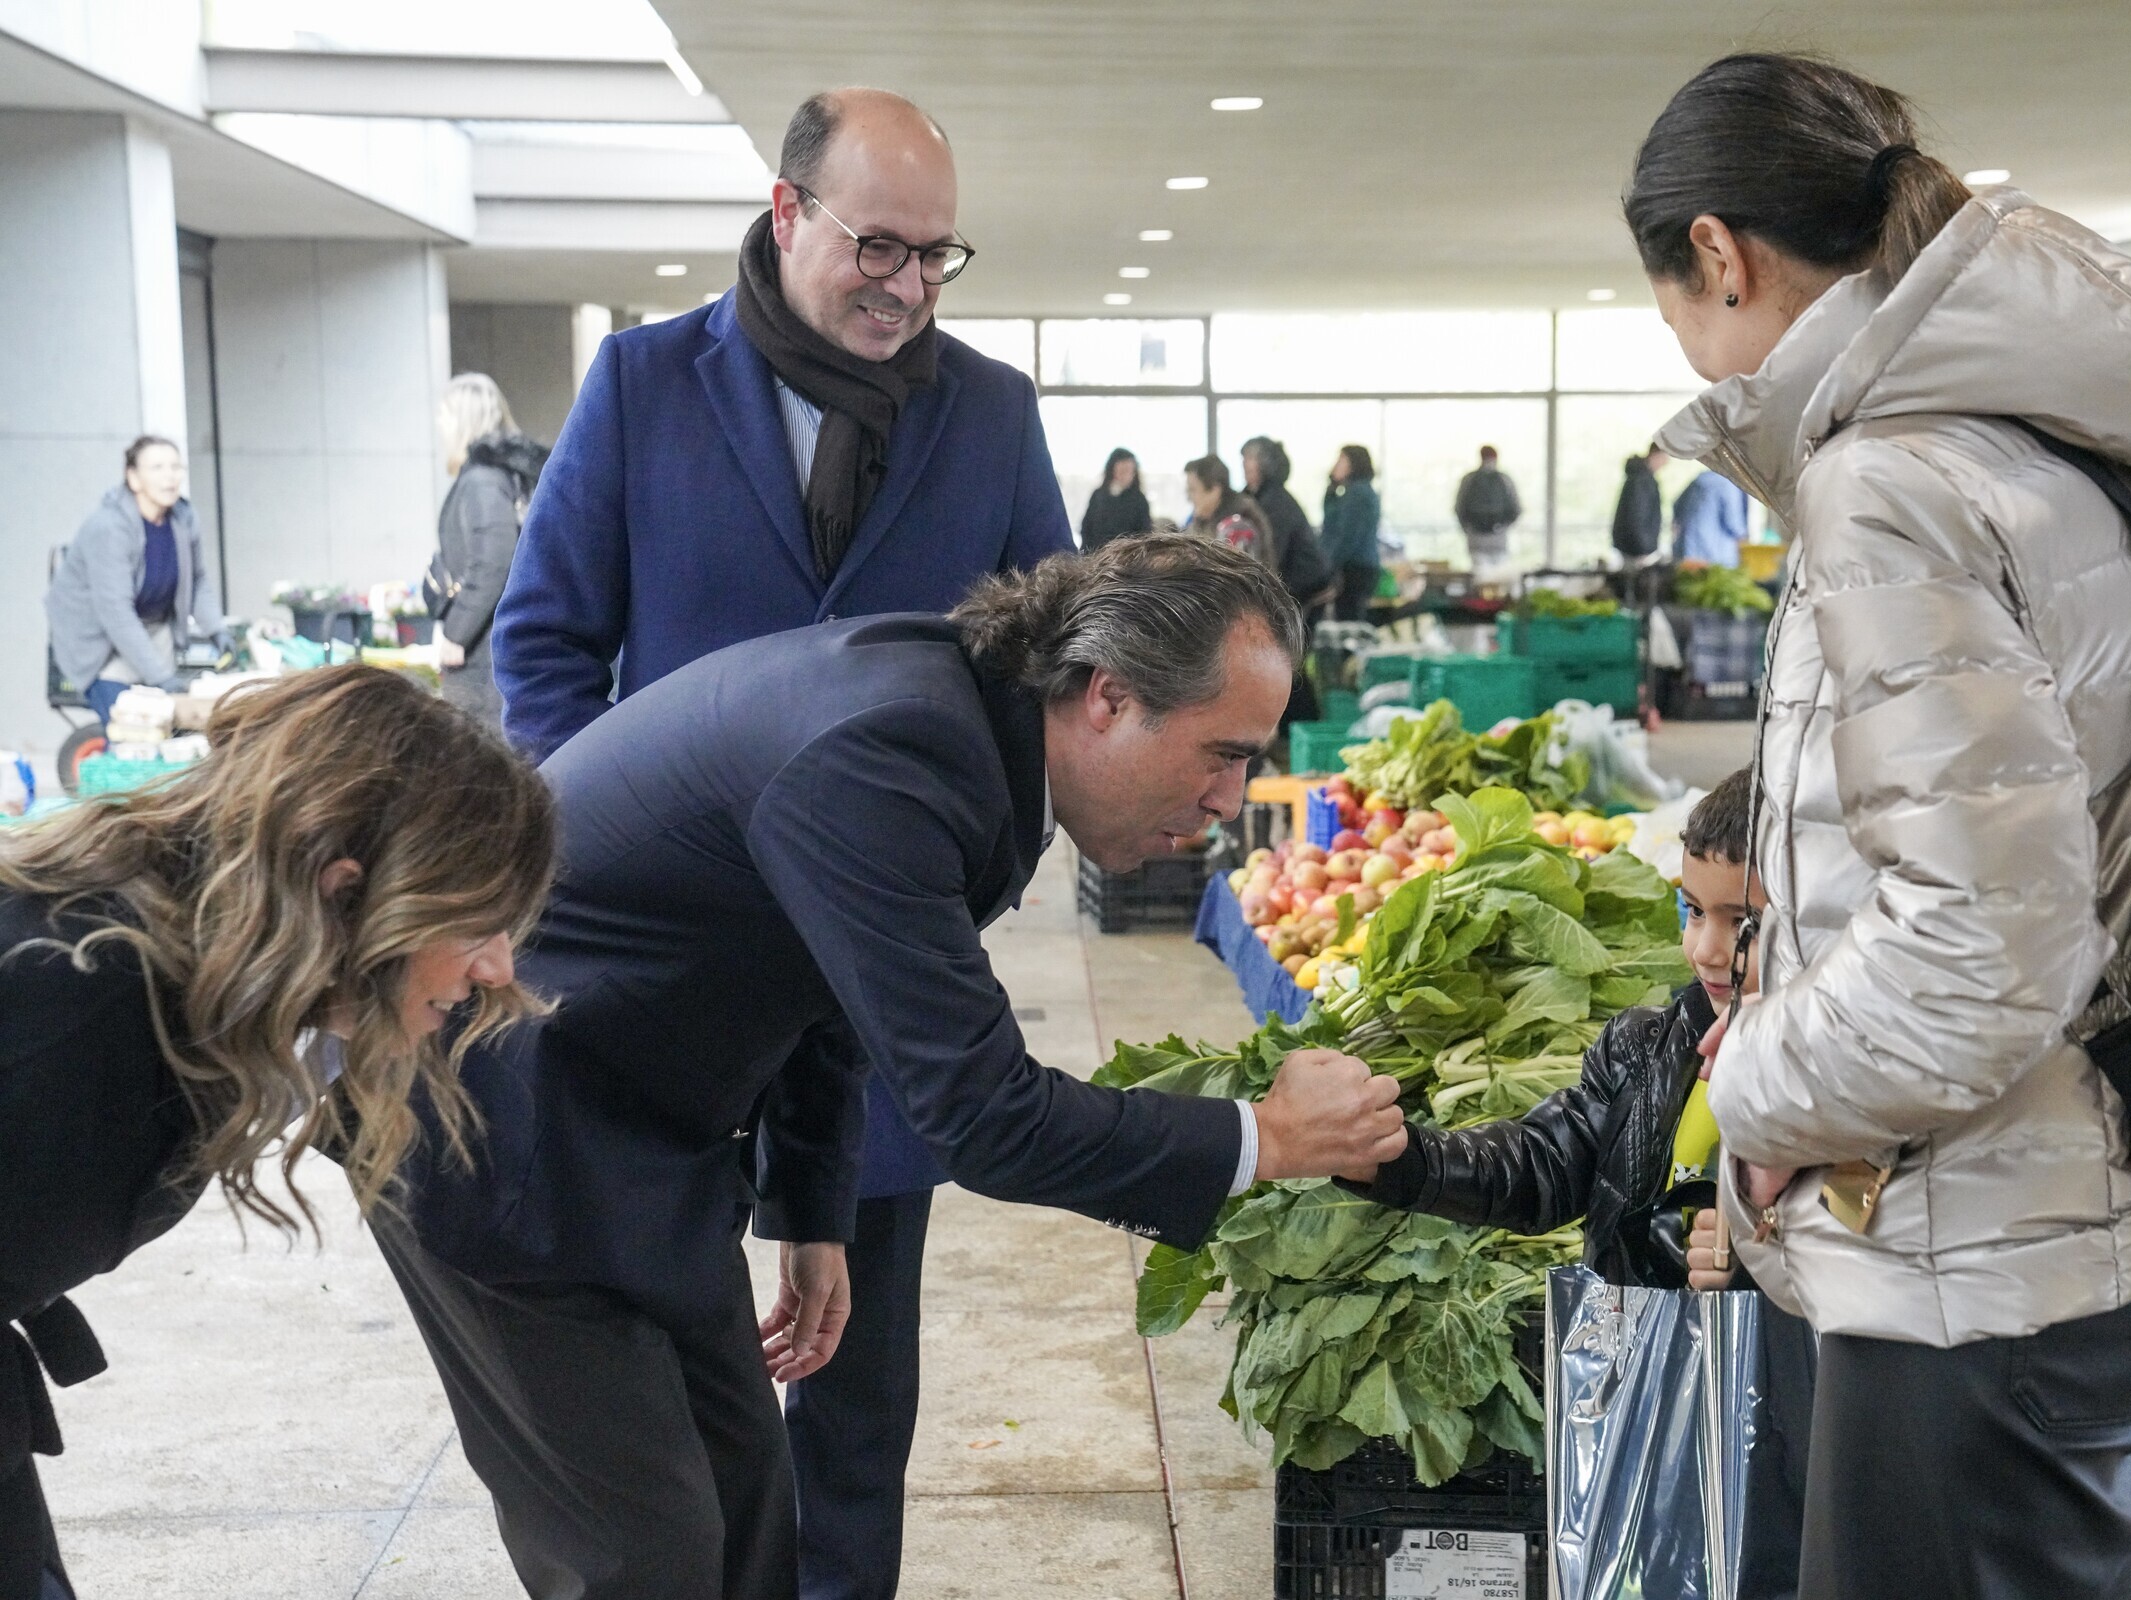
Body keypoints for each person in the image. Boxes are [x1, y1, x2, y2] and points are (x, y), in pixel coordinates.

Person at [385, 535, 1408, 1600]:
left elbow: (833, 984)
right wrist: (1268, 1136)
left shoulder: (966, 731)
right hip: (499, 1135)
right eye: (1223, 753)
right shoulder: (893, 755)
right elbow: (987, 1115)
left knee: (745, 1525)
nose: (1231, 801)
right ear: (1108, 695)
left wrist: (813, 1204)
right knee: (643, 1563)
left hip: (644, 1124)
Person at [1627, 52, 2131, 1597]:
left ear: (1718, 253)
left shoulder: (1894, 480)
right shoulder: (2087, 442)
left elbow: (1982, 945)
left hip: (1989, 1252)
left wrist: (1763, 1089)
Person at [486, 88, 1075, 1599]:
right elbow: (546, 651)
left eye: (939, 258)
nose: (906, 286)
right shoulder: (642, 384)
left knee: (859, 1401)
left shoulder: (992, 413)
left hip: (873, 990)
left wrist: (947, 886)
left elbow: (1044, 676)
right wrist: (598, 859)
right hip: (662, 986)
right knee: (678, 1403)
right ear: (786, 209)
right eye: (878, 246)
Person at [0, 666, 554, 1600]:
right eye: (478, 922)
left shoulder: (187, 968)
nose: (501, 966)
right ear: (341, 894)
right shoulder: (86, 1011)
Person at [1341, 768, 1810, 1598]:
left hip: (1790, 1449)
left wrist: (1757, 1266)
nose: (1704, 948)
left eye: (1743, 923)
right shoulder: (1644, 1047)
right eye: (1693, 911)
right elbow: (1543, 1164)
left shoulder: (1845, 1097)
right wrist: (1396, 1159)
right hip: (1641, 1413)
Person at [45, 437, 230, 731]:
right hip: (100, 642)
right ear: (133, 478)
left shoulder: (184, 516)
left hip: (152, 629)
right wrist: (160, 678)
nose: (170, 476)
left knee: (170, 729)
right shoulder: (109, 527)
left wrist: (217, 630)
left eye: (175, 466)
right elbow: (115, 612)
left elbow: (196, 581)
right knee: (132, 732)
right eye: (157, 467)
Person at [429, 373, 548, 732]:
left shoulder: (482, 480)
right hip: (498, 649)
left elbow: (495, 559)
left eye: (445, 415)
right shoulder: (507, 477)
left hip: (483, 659)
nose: (439, 425)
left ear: (463, 420)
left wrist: (456, 632)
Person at [1242, 435, 1335, 611]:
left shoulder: (1275, 501)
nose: (1245, 464)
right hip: (1295, 582)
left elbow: (1273, 551)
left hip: (1304, 584)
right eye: (1244, 458)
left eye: (1251, 458)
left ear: (1265, 463)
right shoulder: (1255, 498)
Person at [1320, 444, 1383, 621]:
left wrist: (1329, 565)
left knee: (1349, 619)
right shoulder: (1353, 493)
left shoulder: (1357, 495)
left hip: (1355, 568)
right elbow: (1332, 523)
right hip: (1358, 566)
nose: (1336, 465)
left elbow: (1346, 536)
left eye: (1341, 460)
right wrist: (1331, 491)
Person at [1184, 454, 1278, 569]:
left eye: (1192, 490)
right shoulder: (1202, 519)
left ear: (1215, 490)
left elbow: (1234, 578)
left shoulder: (1239, 523)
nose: (1188, 497)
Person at [1453, 444, 1521, 565]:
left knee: (1481, 576)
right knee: (1498, 575)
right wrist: (1502, 527)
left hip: (1476, 537)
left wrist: (1468, 529)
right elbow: (1516, 508)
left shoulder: (1469, 479)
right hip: (1497, 537)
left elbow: (1459, 507)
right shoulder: (1504, 479)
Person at [1671, 467, 1749, 566]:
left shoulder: (1699, 480)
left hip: (1689, 550)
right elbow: (1733, 522)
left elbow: (1677, 506)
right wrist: (1743, 539)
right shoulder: (1728, 484)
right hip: (1717, 556)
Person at [1078, 447, 1150, 552]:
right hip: (1096, 557)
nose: (1126, 475)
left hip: (1126, 559)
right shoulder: (1098, 496)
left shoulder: (1139, 500)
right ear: (1112, 470)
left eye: (1129, 471)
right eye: (1122, 470)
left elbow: (1144, 534)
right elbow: (1086, 529)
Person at [1612, 442, 1668, 559]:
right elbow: (1637, 515)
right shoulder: (1641, 480)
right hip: (1636, 548)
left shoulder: (1639, 477)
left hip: (1633, 545)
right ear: (1656, 454)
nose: (1666, 463)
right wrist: (1644, 547)